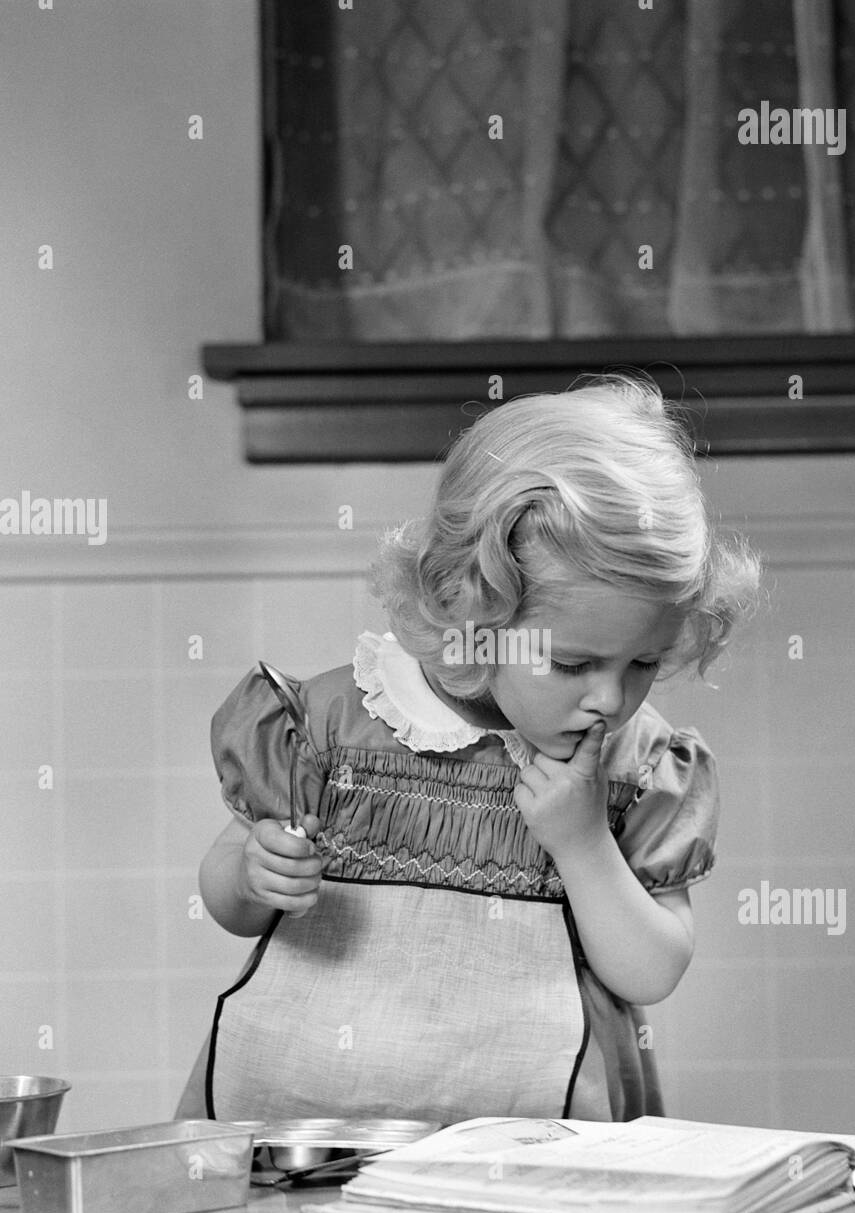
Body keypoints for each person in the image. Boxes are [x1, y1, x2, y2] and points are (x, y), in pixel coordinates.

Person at [175, 372, 761, 1125]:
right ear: (470, 610)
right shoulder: (331, 723)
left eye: (642, 662)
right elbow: (230, 902)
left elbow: (650, 971)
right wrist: (254, 872)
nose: (610, 700)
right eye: (574, 664)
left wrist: (582, 846)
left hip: (532, 1148)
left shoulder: (638, 767)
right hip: (308, 1126)